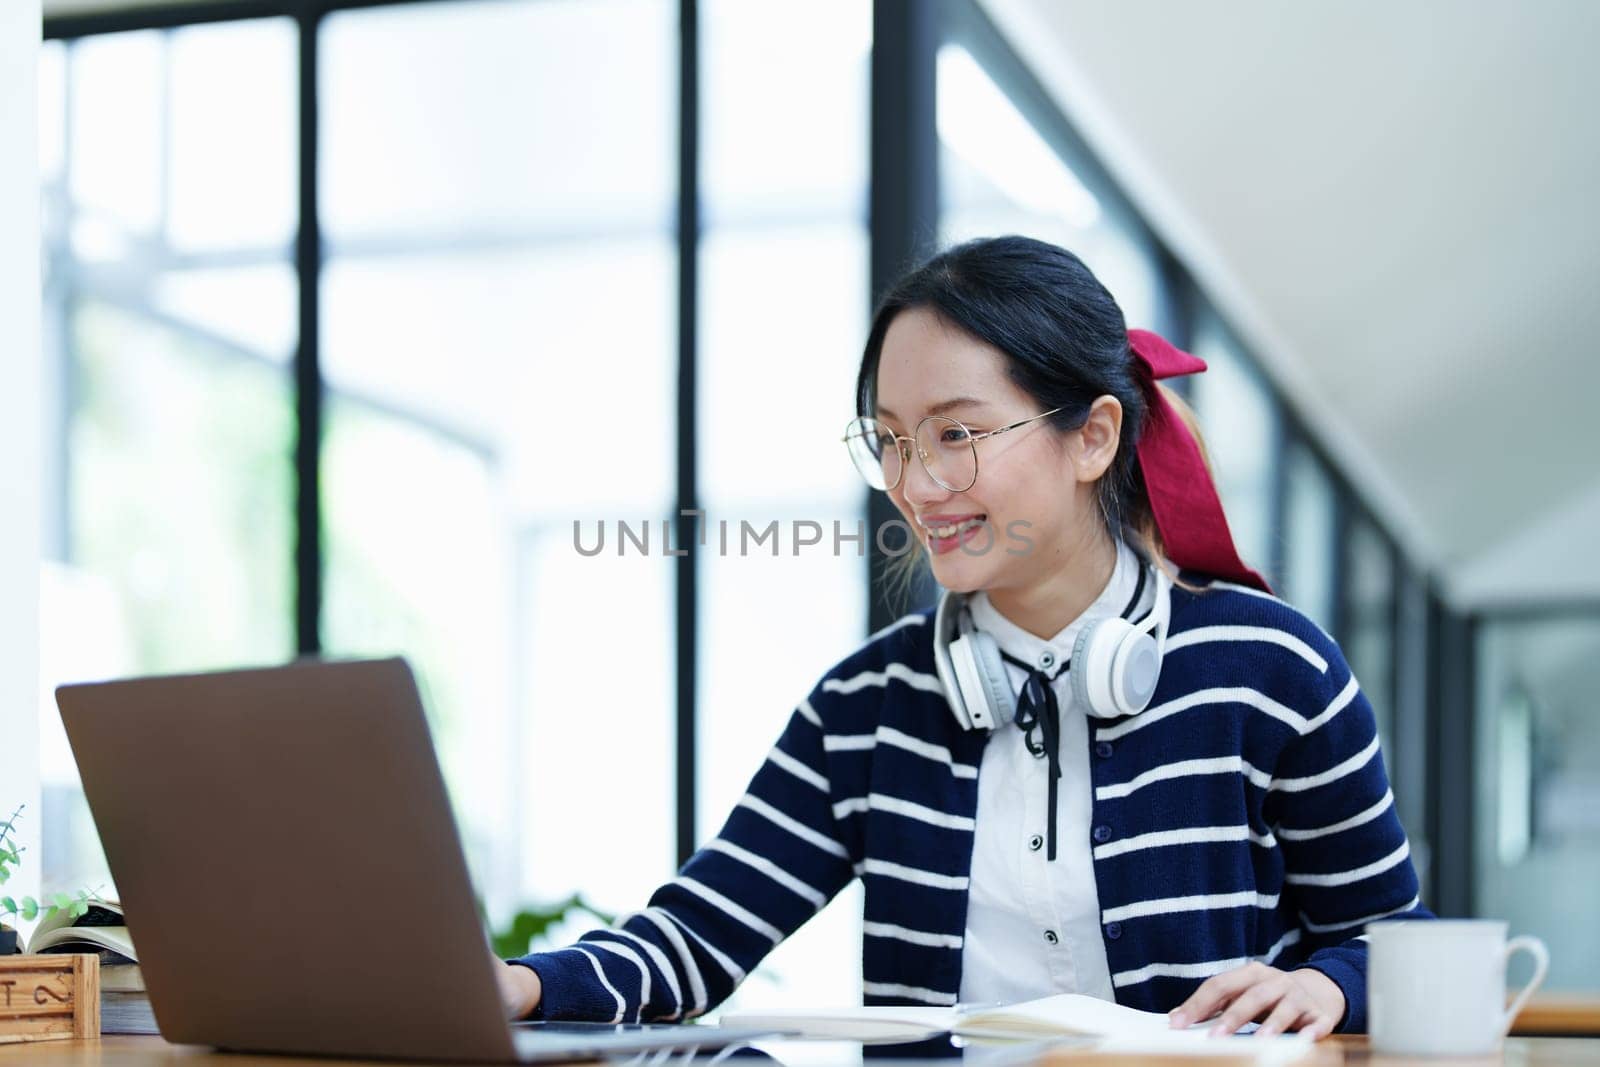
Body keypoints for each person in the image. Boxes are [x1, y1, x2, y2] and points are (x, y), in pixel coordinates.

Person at [491, 235, 1431, 1039]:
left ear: (1095, 436)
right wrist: (516, 985)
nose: (916, 483)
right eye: (892, 440)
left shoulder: (1273, 671)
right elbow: (700, 935)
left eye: (956, 434)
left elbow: (1400, 947)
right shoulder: (866, 707)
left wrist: (1324, 985)